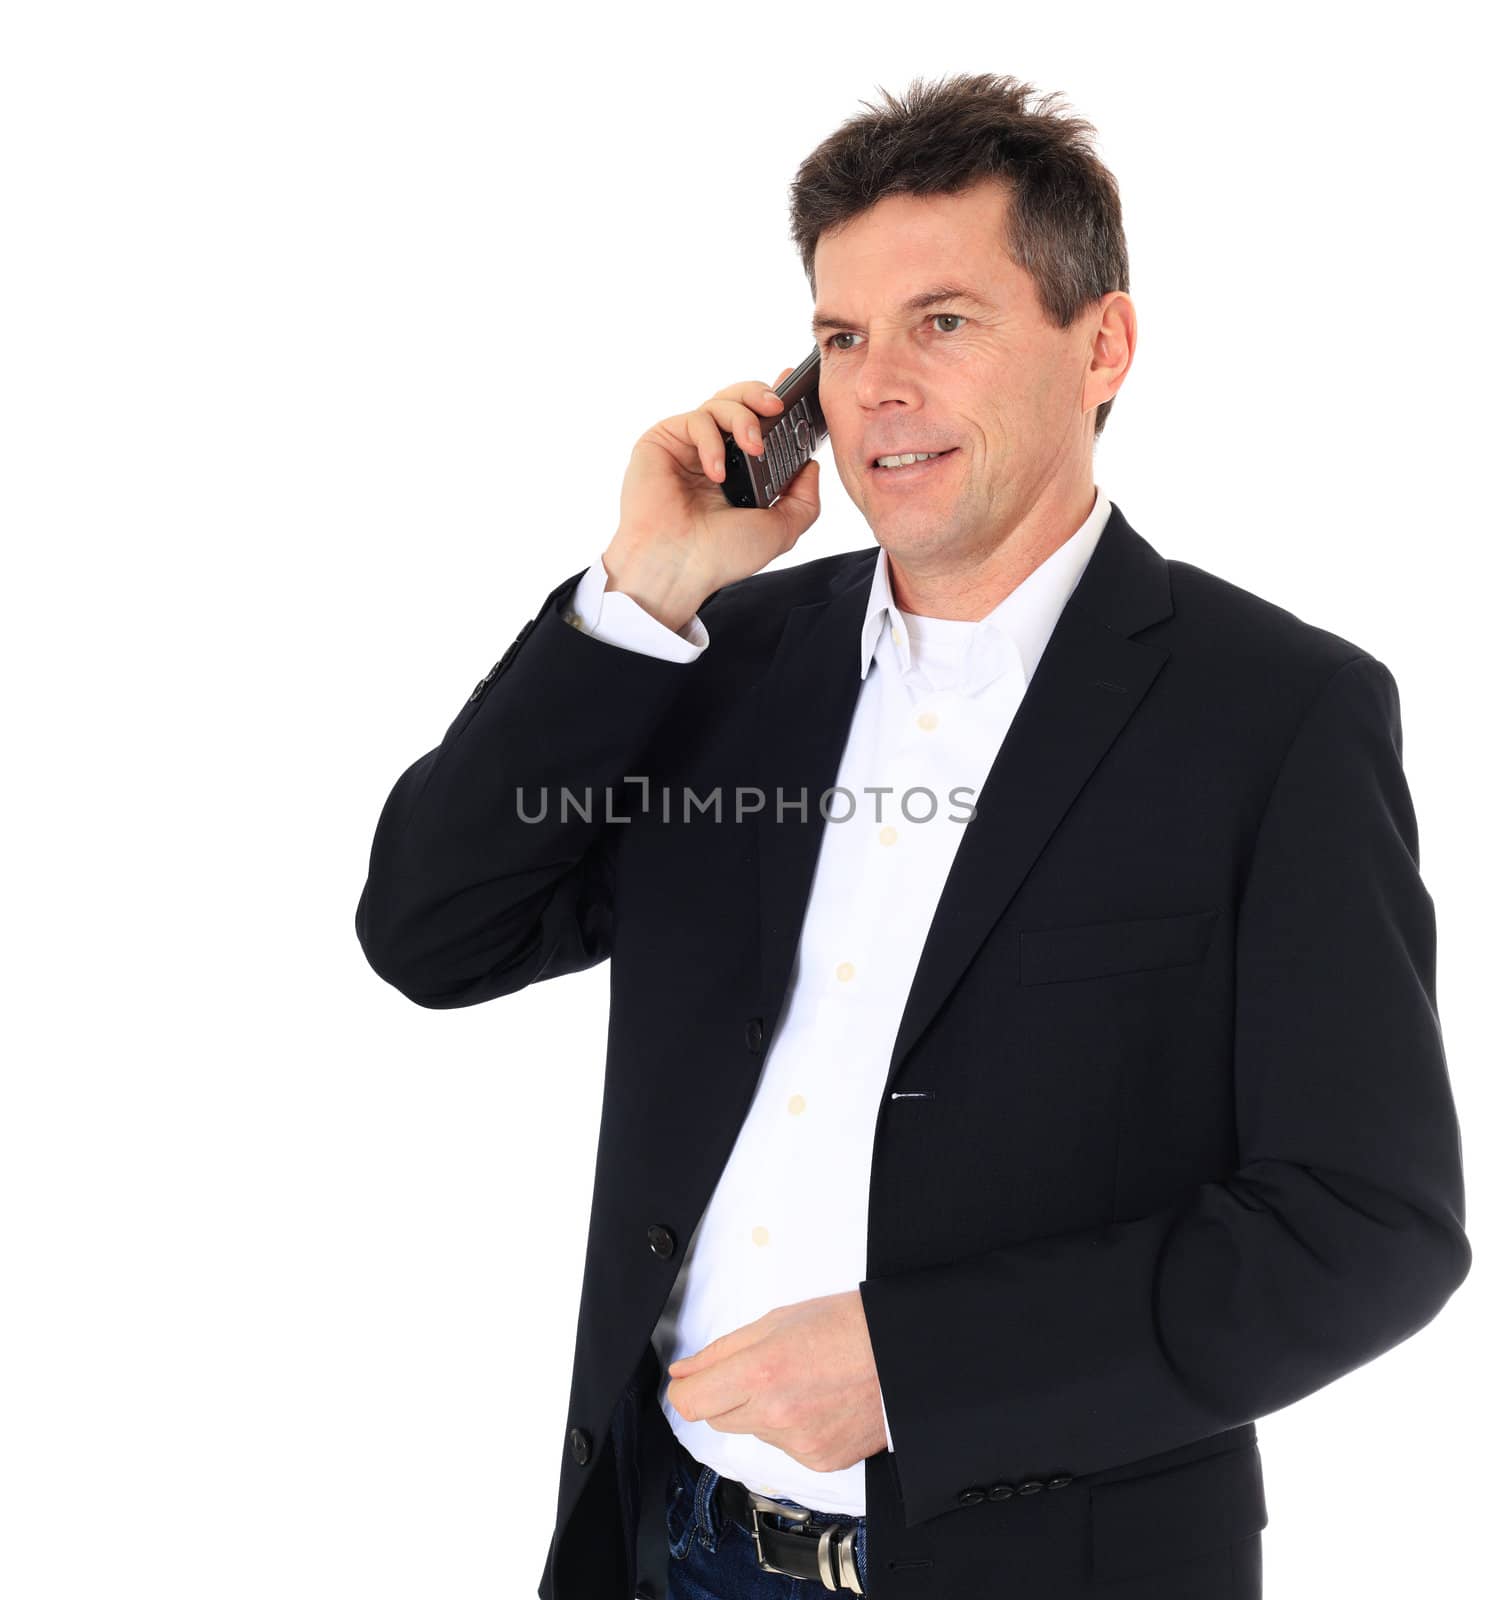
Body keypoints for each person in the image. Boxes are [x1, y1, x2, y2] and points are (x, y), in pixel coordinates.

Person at [354, 71, 1471, 1600]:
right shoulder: (717, 660)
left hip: (1045, 1564)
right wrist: (640, 589)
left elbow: (1365, 1228)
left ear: (1102, 345)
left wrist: (914, 1370)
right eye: (838, 336)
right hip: (667, 1550)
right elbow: (433, 933)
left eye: (942, 321)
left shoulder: (1274, 714)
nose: (875, 385)